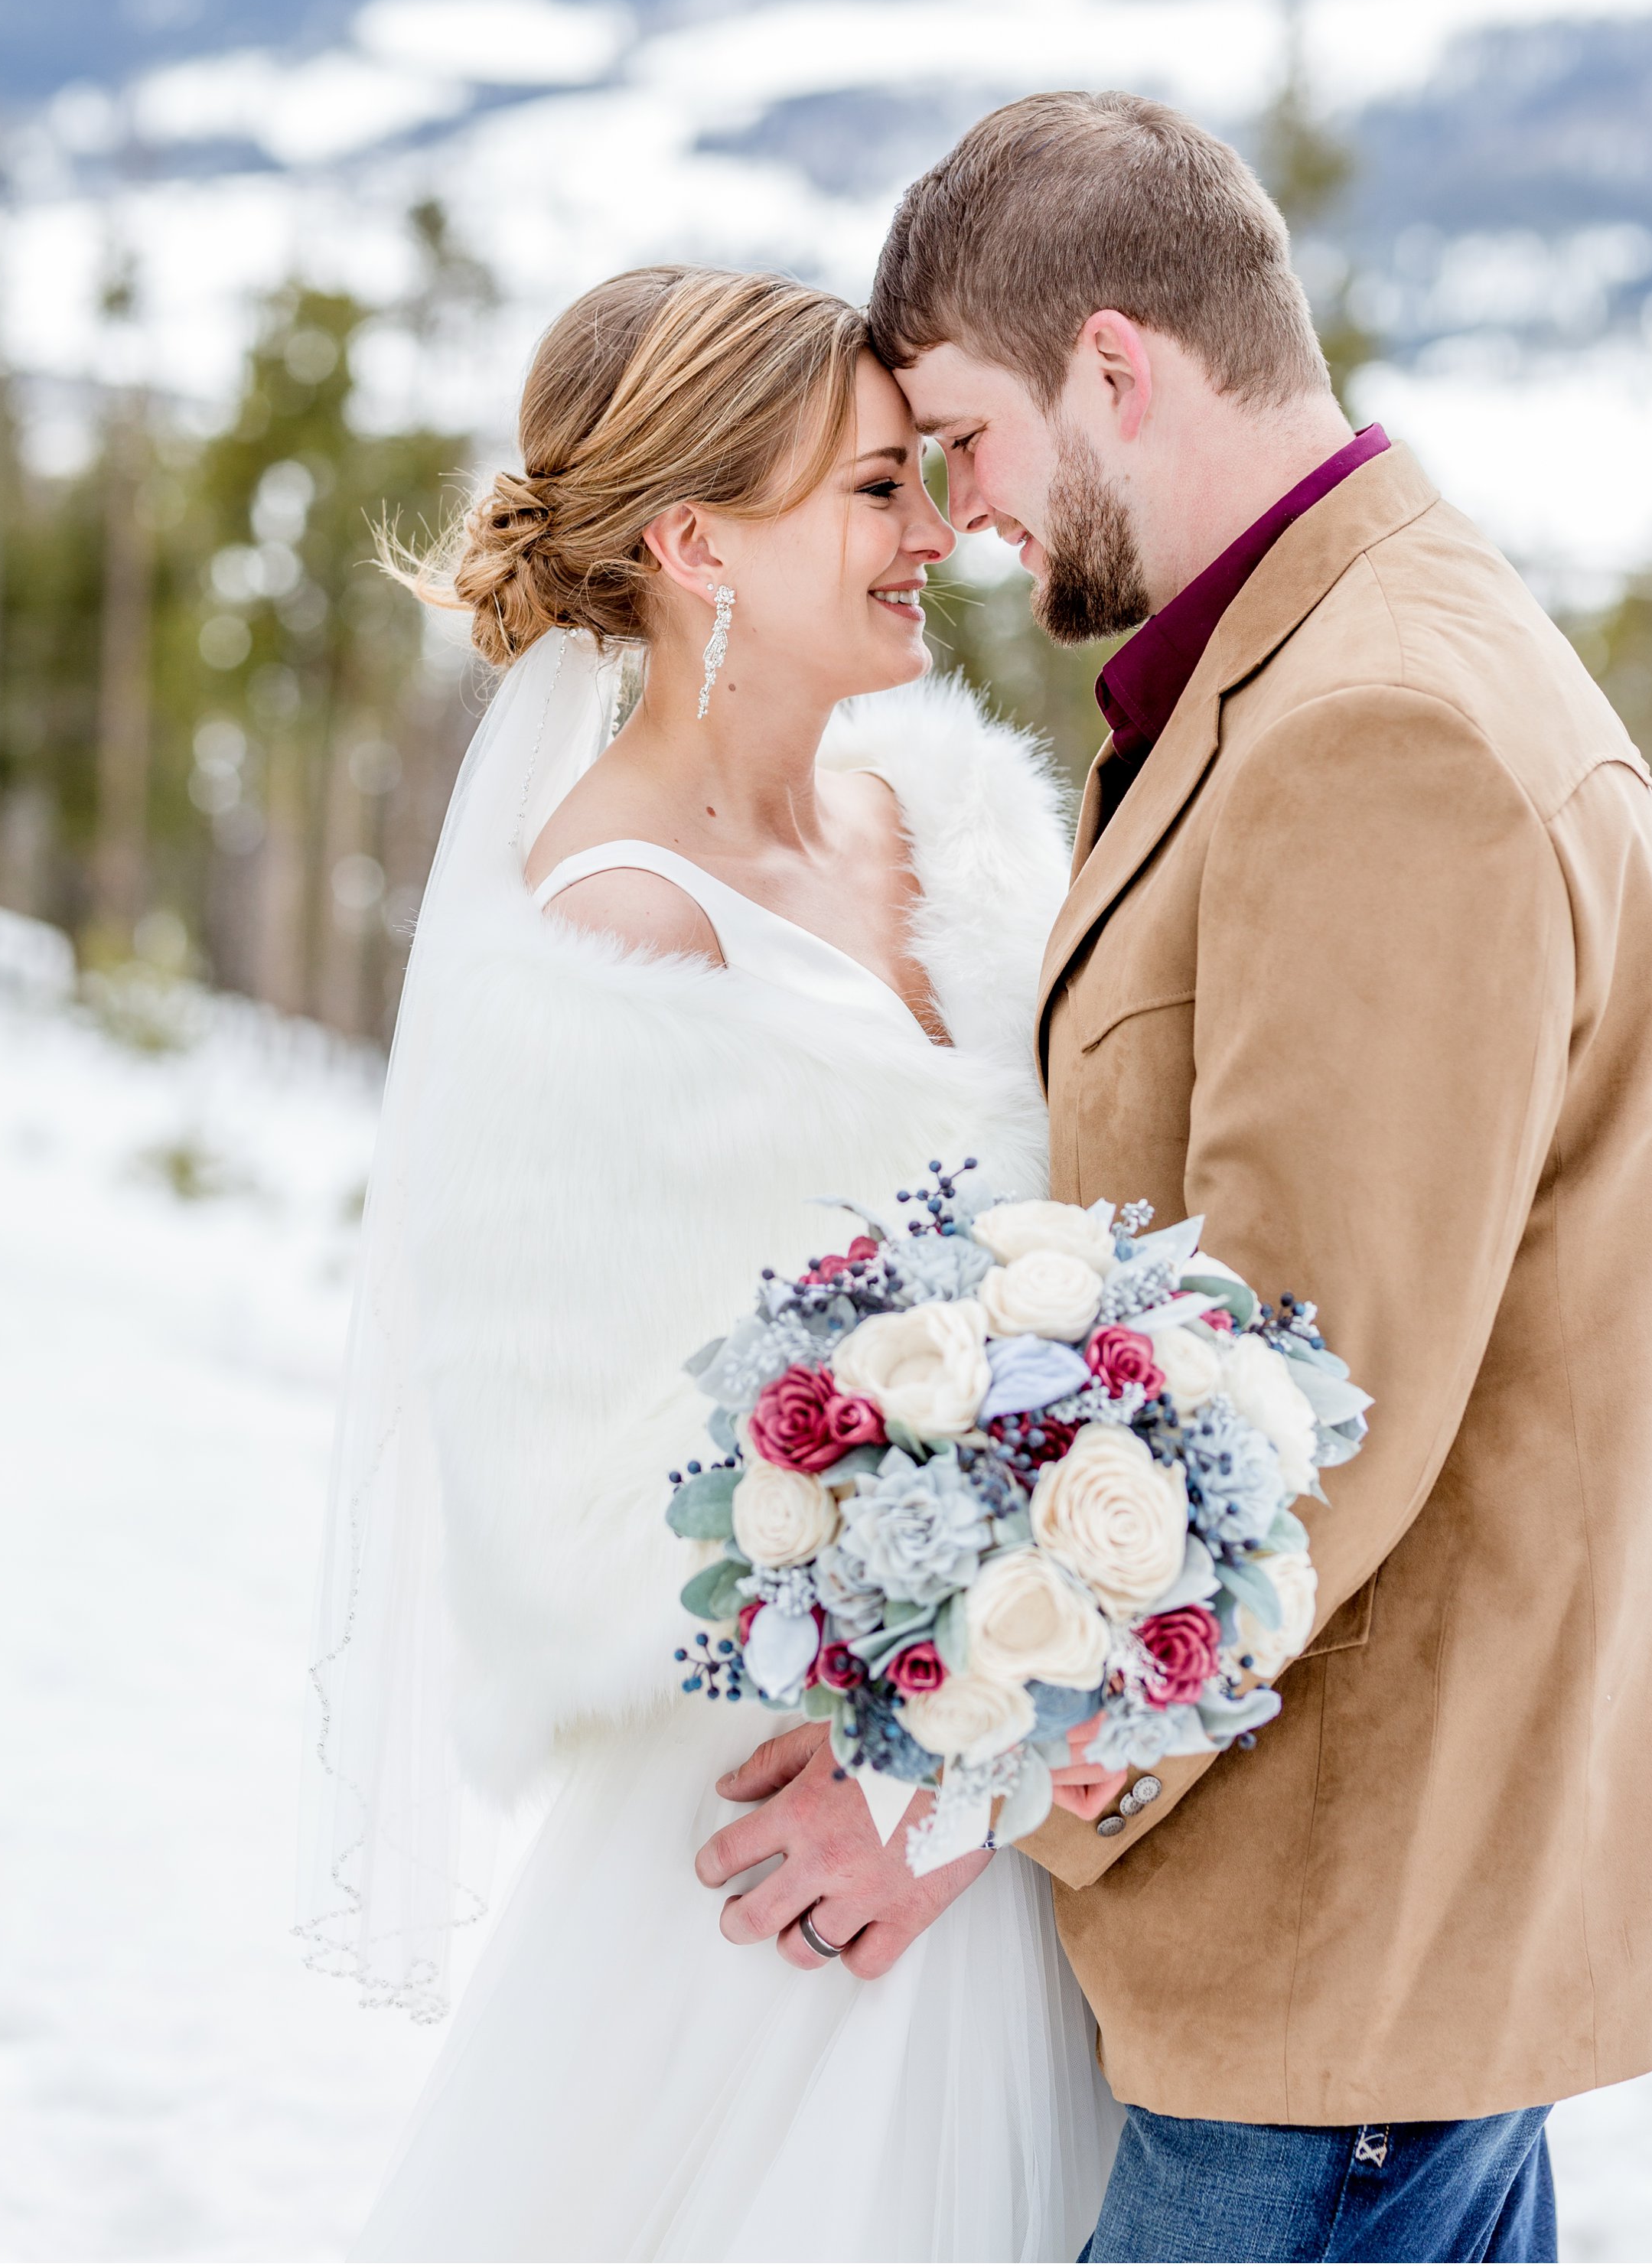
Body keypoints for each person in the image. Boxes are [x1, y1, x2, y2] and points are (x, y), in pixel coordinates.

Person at [706, 93, 1652, 2264]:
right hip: (1358, 1946)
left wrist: (950, 1781)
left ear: (1119, 365)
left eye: (971, 437)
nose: (969, 517)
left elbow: (1290, 1397)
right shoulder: (1313, 657)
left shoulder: (1385, 733)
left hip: (1345, 1947)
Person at [299, 262, 1121, 2262]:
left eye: (925, 479)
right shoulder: (609, 937)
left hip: (1033, 1803)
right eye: (869, 489)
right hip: (789, 1855)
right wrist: (931, 1715)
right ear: (692, 544)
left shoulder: (962, 820)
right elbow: (591, 1497)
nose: (933, 532)